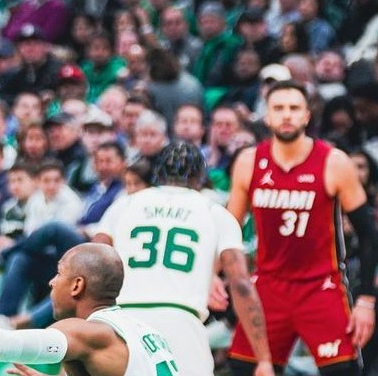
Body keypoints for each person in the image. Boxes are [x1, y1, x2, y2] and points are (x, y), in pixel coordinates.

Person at [227, 81, 378, 376]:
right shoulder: (248, 162)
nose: (287, 115)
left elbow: (369, 234)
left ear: (307, 115)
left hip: (320, 286)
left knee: (342, 371)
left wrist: (367, 301)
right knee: (243, 368)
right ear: (267, 116)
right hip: (268, 285)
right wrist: (213, 277)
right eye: (278, 108)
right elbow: (227, 231)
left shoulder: (333, 162)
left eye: (294, 108)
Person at [93, 141, 274, 376]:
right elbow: (241, 284)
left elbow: (92, 263)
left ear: (157, 173)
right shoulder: (214, 212)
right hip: (182, 323)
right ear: (200, 177)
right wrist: (264, 359)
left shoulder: (124, 205)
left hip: (124, 321)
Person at [0, 243, 181, 376]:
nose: (52, 282)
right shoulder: (142, 331)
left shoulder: (87, 331)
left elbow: (1, 345)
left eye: (60, 272)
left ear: (77, 285)